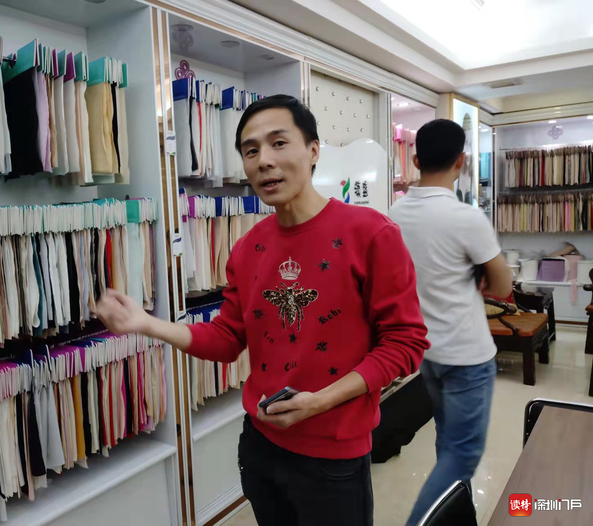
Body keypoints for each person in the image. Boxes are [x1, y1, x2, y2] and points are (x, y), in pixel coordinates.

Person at [96, 94, 429, 526]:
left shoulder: (371, 234)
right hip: (260, 447)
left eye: (278, 143)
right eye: (250, 151)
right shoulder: (247, 248)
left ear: (313, 151)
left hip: (333, 458)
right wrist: (147, 324)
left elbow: (405, 343)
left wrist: (321, 402)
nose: (264, 161)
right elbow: (226, 340)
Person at [389, 119, 512, 525]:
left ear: (415, 160)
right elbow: (503, 287)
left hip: (425, 353)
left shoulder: (394, 214)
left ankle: (458, 518)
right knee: (461, 454)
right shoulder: (466, 218)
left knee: (448, 443)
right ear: (461, 161)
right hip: (467, 355)